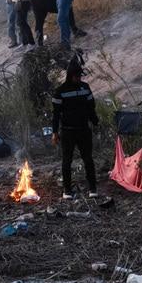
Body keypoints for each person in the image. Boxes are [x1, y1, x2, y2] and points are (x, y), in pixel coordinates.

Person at [51, 51, 99, 198]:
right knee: (67, 161)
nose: (79, 79)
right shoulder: (60, 92)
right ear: (70, 76)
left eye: (80, 76)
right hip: (67, 131)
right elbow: (56, 114)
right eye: (76, 76)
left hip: (84, 130)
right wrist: (55, 132)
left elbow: (91, 107)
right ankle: (67, 191)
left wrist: (96, 122)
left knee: (88, 159)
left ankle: (93, 189)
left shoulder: (85, 88)